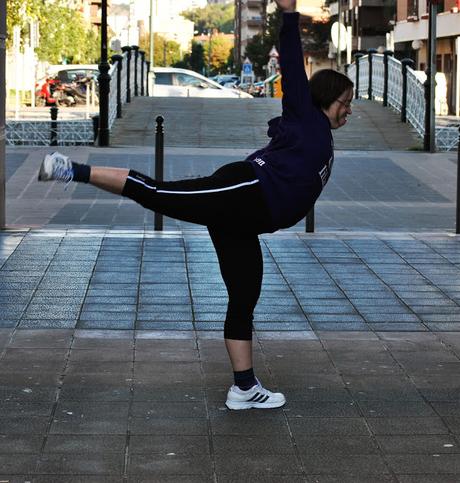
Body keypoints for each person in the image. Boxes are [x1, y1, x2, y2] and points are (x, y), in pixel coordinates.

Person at [37, 0, 353, 410]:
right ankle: (69, 170)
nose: (349, 110)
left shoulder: (315, 133)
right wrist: (289, 13)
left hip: (247, 220)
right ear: (325, 97)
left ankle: (244, 388)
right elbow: (292, 63)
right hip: (243, 192)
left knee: (245, 295)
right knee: (158, 193)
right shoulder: (306, 117)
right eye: (345, 101)